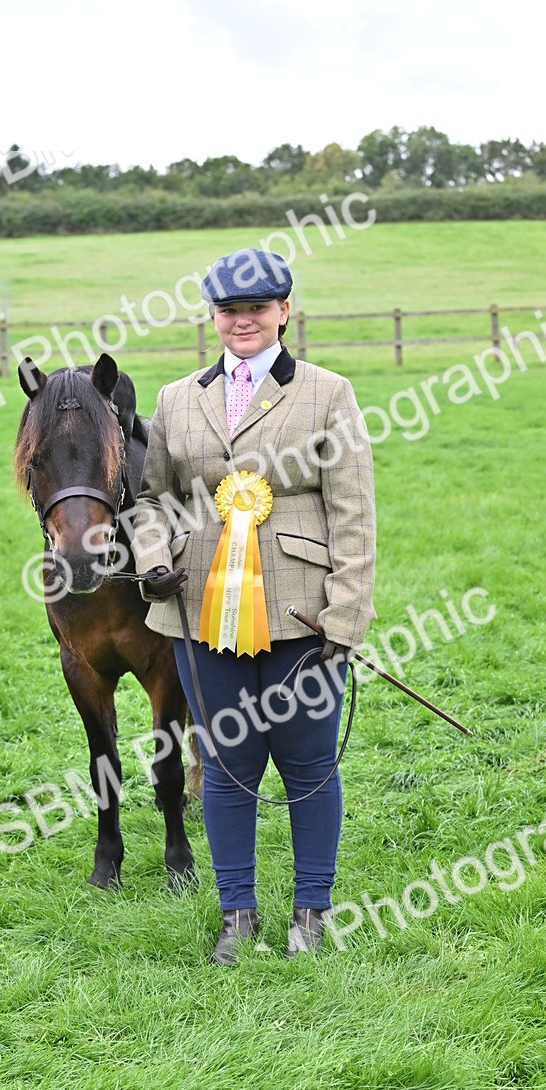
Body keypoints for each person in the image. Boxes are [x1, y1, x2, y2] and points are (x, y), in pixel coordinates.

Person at [132, 248, 376, 963]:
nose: (243, 321)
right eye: (230, 310)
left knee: (307, 763)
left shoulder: (328, 393)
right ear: (214, 316)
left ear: (283, 312)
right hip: (202, 612)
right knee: (229, 765)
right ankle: (237, 913)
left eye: (257, 309)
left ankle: (313, 910)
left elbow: (354, 511)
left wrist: (348, 613)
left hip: (303, 614)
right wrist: (152, 558)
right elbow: (151, 499)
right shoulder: (178, 398)